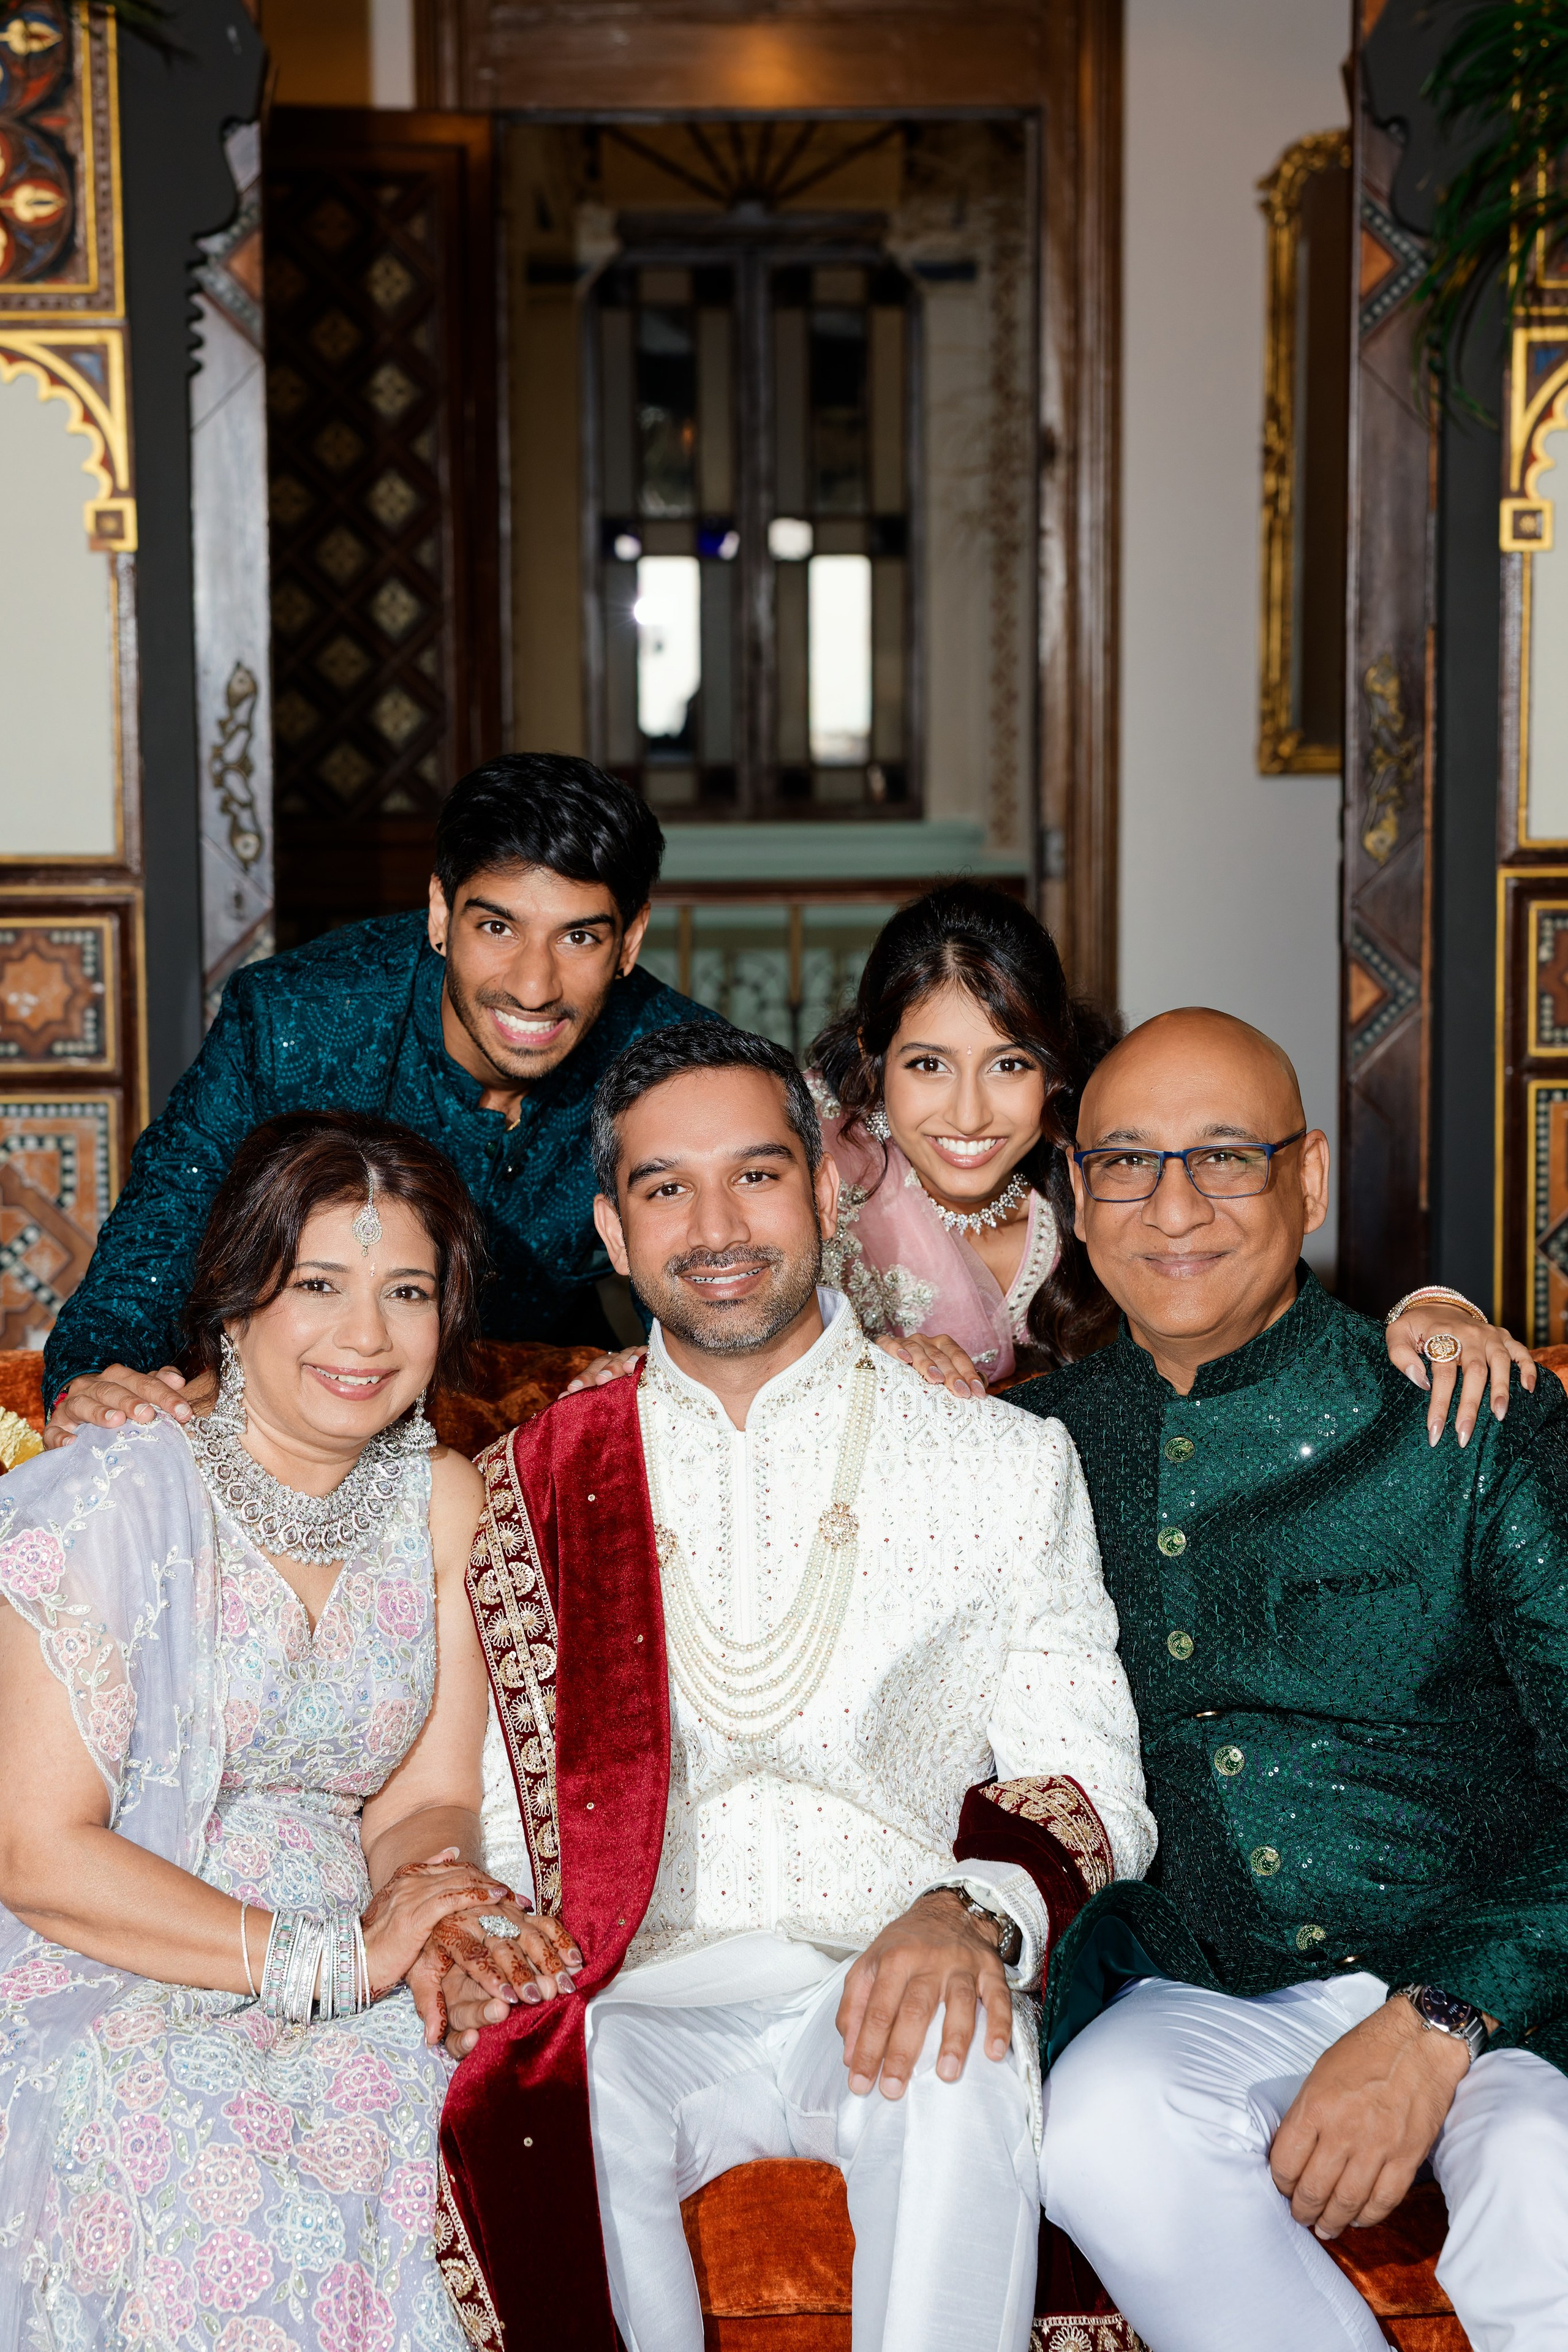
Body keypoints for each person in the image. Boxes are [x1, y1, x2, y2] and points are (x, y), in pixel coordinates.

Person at [427, 1021, 1155, 2352]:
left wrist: (967, 1912)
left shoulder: (999, 1463)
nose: (715, 1226)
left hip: (884, 1960)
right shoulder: (528, 1481)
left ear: (827, 1190)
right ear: (610, 1226)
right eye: (665, 1189)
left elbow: (1087, 1767)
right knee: (527, 2098)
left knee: (960, 2052)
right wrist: (472, 1927)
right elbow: (480, 1797)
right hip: (635, 1988)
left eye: (756, 1176)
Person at [1005, 1008, 1568, 2351]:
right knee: (1096, 2132)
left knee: (1540, 2180)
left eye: (1226, 1157)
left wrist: (1438, 2018)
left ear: (1307, 1178)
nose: (1174, 1204)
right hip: (1200, 1984)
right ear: (1078, 1197)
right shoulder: (1022, 1452)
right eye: (1128, 1162)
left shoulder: (1460, 1418)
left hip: (1503, 1978)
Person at [0, 1110, 516, 2350]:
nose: (365, 1336)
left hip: (359, 1960)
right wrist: (321, 1960)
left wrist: (436, 1915)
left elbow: (422, 1803)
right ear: (236, 1302)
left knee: (444, 2137)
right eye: (320, 1286)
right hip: (115, 1959)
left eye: (406, 1292)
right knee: (199, 2169)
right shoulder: (116, 1490)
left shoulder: (443, 1499)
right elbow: (34, 1852)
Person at [575, 882, 1532, 1428]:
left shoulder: (1108, 1170)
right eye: (926, 1065)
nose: (968, 1113)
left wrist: (1428, 1308)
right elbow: (714, 1297)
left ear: (1055, 1070)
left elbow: (1248, 1292)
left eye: (1009, 1064)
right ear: (874, 1062)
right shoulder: (820, 1172)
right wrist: (850, 1360)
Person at [43, 754, 719, 1447]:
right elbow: (155, 1240)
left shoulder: (679, 1065)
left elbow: (707, 1265)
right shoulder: (294, 1019)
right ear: (439, 911)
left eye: (578, 937)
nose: (534, 986)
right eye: (497, 927)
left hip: (533, 1413)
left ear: (629, 940)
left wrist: (673, 1362)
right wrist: (97, 1378)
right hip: (313, 1404)